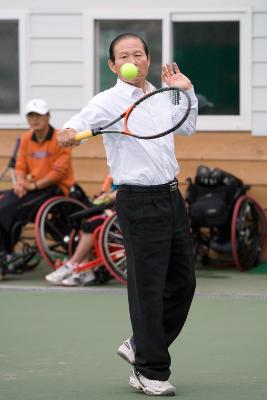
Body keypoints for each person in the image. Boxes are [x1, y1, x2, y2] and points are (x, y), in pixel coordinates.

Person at [58, 33, 198, 396]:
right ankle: (150, 370)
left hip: (171, 198)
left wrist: (186, 90)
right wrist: (69, 135)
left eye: (138, 53)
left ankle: (140, 346)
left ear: (148, 59)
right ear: (113, 65)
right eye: (123, 55)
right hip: (137, 202)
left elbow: (187, 127)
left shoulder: (164, 94)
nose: (132, 59)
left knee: (183, 284)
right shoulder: (107, 102)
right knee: (148, 290)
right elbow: (72, 128)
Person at [0, 98, 74, 275]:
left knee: (12, 210)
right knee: (3, 205)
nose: (35, 119)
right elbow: (20, 166)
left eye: (39, 115)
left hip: (55, 189)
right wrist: (19, 183)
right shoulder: (26, 139)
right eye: (31, 116)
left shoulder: (59, 138)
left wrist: (33, 185)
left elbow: (59, 173)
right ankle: (4, 253)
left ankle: (4, 256)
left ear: (48, 116)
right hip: (30, 187)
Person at [45, 177, 117, 286]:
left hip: (123, 212)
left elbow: (129, 190)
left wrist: (110, 197)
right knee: (84, 221)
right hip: (114, 208)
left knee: (91, 225)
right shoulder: (120, 171)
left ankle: (72, 264)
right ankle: (84, 268)